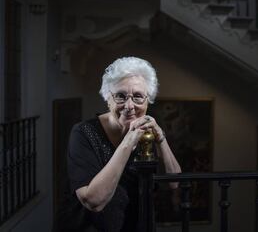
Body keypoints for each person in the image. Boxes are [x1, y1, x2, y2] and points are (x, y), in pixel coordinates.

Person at [67, 56, 182, 231]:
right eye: (120, 96)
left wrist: (161, 139)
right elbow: (94, 202)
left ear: (147, 101)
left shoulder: (149, 131)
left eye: (138, 96)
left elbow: (174, 183)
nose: (129, 105)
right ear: (108, 98)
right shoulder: (83, 133)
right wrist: (128, 142)